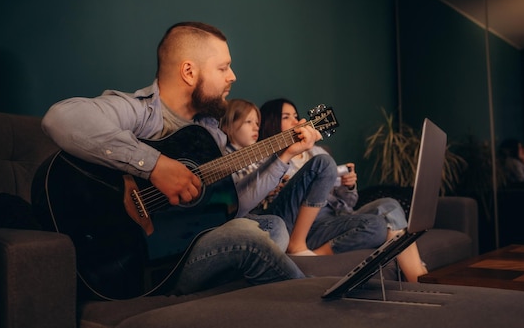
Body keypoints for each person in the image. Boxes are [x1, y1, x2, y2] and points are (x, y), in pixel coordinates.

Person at [41, 21, 324, 295]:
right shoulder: (142, 113)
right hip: (138, 258)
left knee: (271, 225)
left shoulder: (209, 133)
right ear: (189, 72)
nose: (233, 76)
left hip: (187, 243)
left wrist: (285, 154)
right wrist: (154, 166)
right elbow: (60, 118)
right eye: (223, 67)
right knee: (247, 235)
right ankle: (314, 301)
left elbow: (231, 205)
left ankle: (235, 289)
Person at [243, 98, 427, 282]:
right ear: (272, 122)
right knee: (324, 164)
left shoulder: (317, 152)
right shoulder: (264, 157)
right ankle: (297, 245)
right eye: (286, 117)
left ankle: (419, 283)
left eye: (296, 116)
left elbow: (349, 203)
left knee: (388, 209)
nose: (295, 121)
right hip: (299, 222)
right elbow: (251, 197)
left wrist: (348, 187)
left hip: (332, 217)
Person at [220, 98, 337, 255]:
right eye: (249, 122)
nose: (256, 127)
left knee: (376, 222)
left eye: (257, 123)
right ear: (227, 127)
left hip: (280, 213)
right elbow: (230, 203)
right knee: (275, 226)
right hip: (254, 217)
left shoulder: (259, 155)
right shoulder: (221, 157)